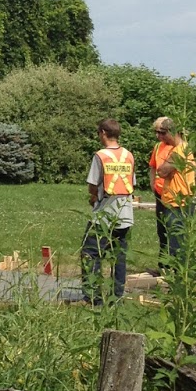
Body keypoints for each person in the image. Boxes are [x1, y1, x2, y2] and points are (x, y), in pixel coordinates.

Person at [81, 119, 135, 306]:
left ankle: (92, 296)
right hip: (125, 214)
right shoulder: (128, 155)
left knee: (90, 253)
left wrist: (93, 197)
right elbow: (131, 183)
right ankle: (117, 297)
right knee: (119, 257)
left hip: (104, 215)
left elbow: (92, 185)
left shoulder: (100, 156)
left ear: (103, 132)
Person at [148, 116, 196, 270]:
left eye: (162, 133)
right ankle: (172, 274)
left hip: (178, 203)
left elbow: (162, 170)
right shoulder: (177, 149)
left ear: (171, 132)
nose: (159, 137)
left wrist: (165, 170)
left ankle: (177, 278)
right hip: (173, 200)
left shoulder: (179, 151)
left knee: (177, 244)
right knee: (170, 239)